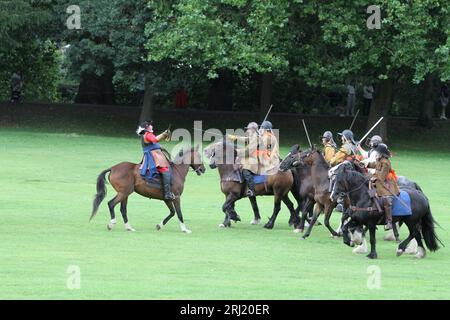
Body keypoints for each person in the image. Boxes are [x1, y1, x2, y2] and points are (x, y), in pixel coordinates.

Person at [136, 121, 174, 200]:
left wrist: (164, 133)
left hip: (155, 154)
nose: (152, 126)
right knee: (165, 170)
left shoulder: (146, 134)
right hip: (152, 156)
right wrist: (164, 134)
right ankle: (167, 194)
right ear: (147, 127)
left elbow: (156, 138)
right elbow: (155, 139)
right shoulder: (148, 135)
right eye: (150, 125)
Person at [367, 143, 400, 230]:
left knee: (386, 199)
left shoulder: (386, 162)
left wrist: (373, 175)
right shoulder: (379, 160)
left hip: (386, 184)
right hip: (378, 181)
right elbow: (375, 165)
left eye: (377, 152)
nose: (376, 153)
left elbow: (381, 177)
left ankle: (389, 221)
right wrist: (365, 164)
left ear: (381, 153)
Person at [228, 122, 260, 197]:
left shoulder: (256, 138)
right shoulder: (252, 136)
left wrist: (237, 151)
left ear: (253, 130)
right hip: (248, 158)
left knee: (245, 170)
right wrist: (235, 137)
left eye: (248, 129)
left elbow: (248, 151)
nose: (247, 131)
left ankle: (251, 190)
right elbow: (245, 139)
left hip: (253, 159)